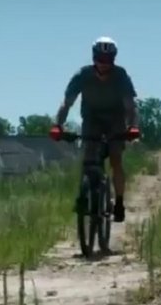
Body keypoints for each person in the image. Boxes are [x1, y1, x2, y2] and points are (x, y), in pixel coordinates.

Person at [49, 36, 140, 222]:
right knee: (88, 158)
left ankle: (119, 202)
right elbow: (66, 104)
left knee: (116, 158)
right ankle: (83, 196)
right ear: (93, 58)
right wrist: (58, 125)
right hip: (92, 118)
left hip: (115, 118)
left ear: (113, 59)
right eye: (100, 59)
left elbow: (130, 106)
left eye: (108, 60)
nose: (104, 64)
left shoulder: (121, 76)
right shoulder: (82, 75)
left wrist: (132, 127)